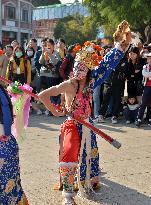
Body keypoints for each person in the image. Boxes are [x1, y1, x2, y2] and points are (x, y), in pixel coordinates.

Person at [38, 42, 101, 205]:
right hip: (72, 125)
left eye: (83, 68)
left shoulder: (91, 83)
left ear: (88, 70)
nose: (80, 70)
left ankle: (87, 182)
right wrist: (54, 110)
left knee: (89, 155)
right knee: (69, 155)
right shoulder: (68, 84)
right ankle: (68, 196)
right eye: (77, 67)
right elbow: (43, 94)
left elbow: (106, 67)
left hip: (88, 125)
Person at [0, 84, 28, 204]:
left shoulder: (1, 90)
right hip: (5, 141)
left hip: (4, 142)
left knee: (8, 179)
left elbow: (7, 110)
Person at [135, 52, 151, 127]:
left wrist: (149, 74)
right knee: (143, 103)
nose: (149, 60)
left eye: (150, 58)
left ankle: (150, 119)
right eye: (148, 58)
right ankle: (139, 118)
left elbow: (148, 75)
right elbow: (145, 74)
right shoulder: (145, 66)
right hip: (147, 86)